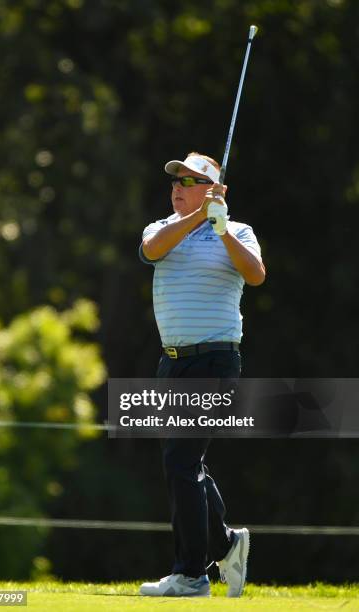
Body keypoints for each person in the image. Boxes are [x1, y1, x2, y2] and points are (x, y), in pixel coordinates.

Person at [138, 152, 266, 598]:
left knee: (180, 462)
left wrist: (222, 227)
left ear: (214, 189)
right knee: (184, 463)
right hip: (171, 363)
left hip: (215, 361)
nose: (178, 186)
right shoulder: (161, 229)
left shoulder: (238, 232)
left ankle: (192, 573)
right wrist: (196, 215)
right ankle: (227, 543)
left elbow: (255, 275)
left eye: (191, 181)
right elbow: (152, 251)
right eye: (176, 180)